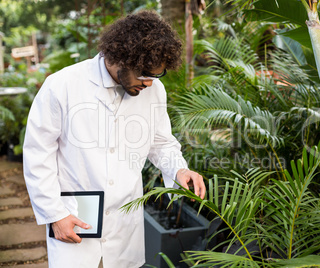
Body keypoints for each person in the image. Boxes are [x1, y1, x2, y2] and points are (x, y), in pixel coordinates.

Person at [23, 10, 206, 268]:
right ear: (120, 57)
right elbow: (37, 155)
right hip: (73, 216)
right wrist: (54, 214)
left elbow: (161, 142)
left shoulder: (154, 91)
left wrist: (179, 168)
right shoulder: (62, 86)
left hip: (124, 224)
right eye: (144, 74)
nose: (150, 83)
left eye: (156, 75)